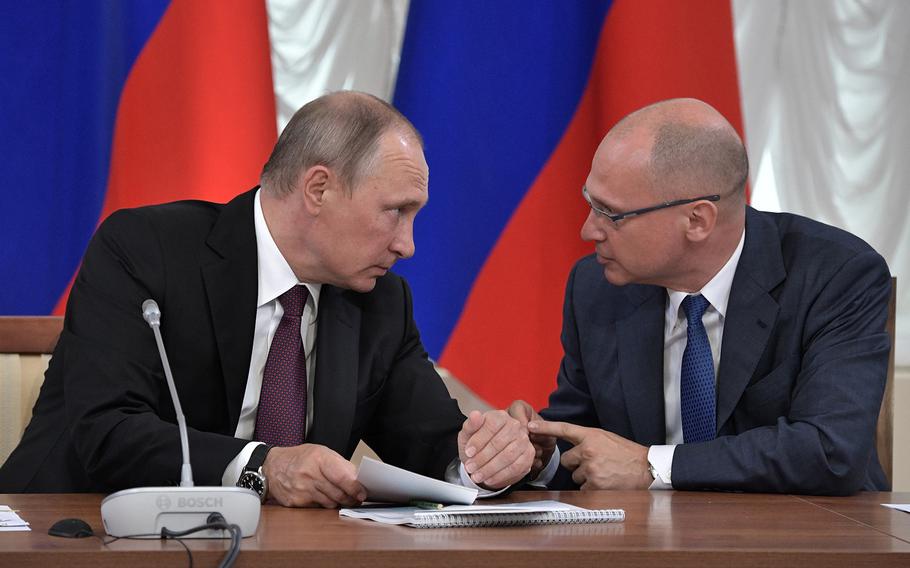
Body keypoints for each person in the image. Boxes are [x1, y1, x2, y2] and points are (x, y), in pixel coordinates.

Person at [0, 91, 534, 506]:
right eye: (395, 211)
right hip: (69, 533)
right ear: (318, 189)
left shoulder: (380, 303)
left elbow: (430, 446)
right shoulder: (145, 251)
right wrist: (263, 467)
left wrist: (485, 458)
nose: (407, 245)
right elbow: (107, 431)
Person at [510, 98, 891, 495]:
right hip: (646, 545)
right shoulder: (596, 287)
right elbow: (588, 445)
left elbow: (830, 450)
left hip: (807, 539)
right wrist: (537, 454)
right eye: (591, 203)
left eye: (611, 214)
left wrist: (651, 465)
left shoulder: (835, 274)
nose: (589, 231)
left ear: (697, 220)